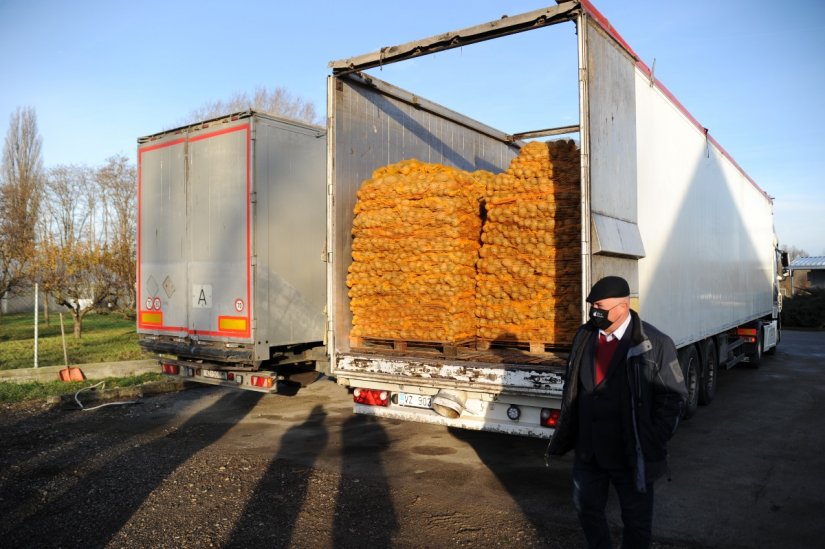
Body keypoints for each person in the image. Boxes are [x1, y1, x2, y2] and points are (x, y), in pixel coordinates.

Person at [546, 276, 687, 549]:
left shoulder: (655, 344)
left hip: (632, 453)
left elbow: (673, 398)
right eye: (592, 306)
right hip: (589, 452)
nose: (593, 312)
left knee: (636, 522)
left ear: (622, 307)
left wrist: (652, 440)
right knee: (586, 511)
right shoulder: (584, 336)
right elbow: (573, 383)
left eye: (599, 306)